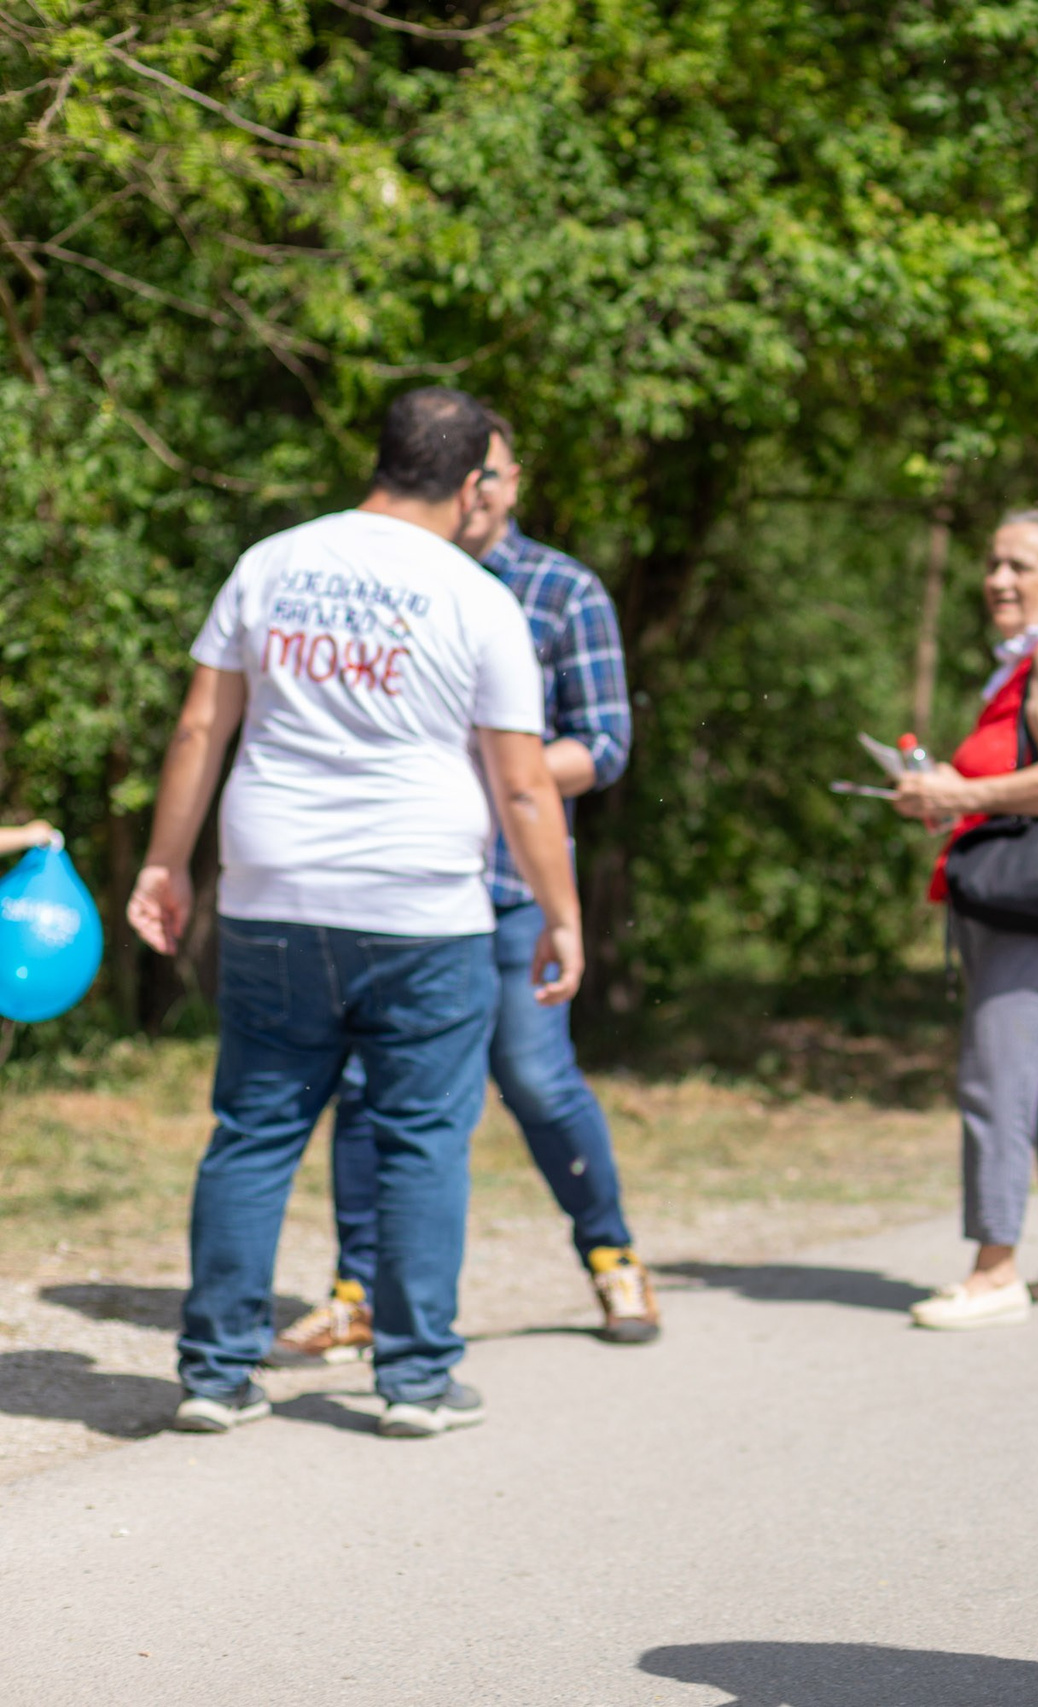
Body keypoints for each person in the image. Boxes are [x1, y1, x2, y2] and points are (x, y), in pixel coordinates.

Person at [127, 387, 581, 1439]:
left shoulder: (270, 562)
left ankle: (213, 1372)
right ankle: (416, 1382)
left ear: (381, 458)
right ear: (473, 487)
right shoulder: (477, 598)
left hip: (274, 892)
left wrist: (165, 863)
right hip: (424, 905)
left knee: (255, 1128)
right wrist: (560, 913)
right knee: (424, 1138)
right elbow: (522, 786)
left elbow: (202, 727)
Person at [274, 411, 656, 1363]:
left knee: (534, 1076)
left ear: (512, 481)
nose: (479, 491)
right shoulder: (391, 582)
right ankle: (358, 1293)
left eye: (493, 473)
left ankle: (612, 1256)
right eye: (466, 473)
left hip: (512, 885)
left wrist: (501, 773)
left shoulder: (564, 590)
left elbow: (605, 743)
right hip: (401, 883)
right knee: (369, 1087)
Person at [891, 509, 1038, 1329]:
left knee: (996, 1077)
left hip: (1033, 902)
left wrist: (955, 795)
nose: (998, 578)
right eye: (993, 562)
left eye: (1021, 565)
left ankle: (994, 1269)